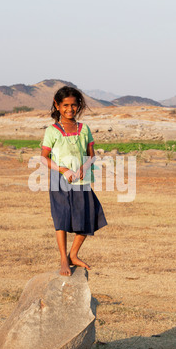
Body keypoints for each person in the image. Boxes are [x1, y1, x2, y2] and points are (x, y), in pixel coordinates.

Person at [41, 85, 108, 276]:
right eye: (66, 105)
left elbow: (91, 155)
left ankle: (73, 254)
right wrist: (62, 169)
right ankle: (63, 259)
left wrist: (83, 168)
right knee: (61, 219)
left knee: (90, 217)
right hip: (59, 181)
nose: (70, 109)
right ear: (57, 105)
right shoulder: (52, 131)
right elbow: (43, 157)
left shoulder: (84, 129)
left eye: (74, 105)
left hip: (82, 181)